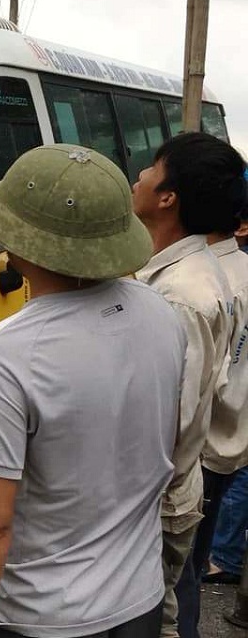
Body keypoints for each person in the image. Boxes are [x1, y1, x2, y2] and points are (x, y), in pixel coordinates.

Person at [0, 144, 186, 638]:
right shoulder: (160, 311)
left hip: (40, 618)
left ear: (21, 243)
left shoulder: (6, 354)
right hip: (139, 597)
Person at [131, 132, 243, 638]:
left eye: (151, 169)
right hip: (164, 493)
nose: (138, 176)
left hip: (154, 503)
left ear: (167, 196)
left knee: (160, 619)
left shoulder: (182, 295)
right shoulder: (176, 273)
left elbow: (167, 421)